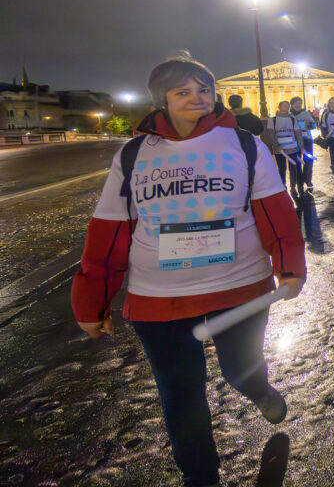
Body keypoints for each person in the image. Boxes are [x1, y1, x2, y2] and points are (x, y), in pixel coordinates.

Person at [71, 51, 305, 487]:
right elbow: (110, 231)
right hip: (160, 297)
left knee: (240, 368)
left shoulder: (244, 145)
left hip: (238, 287)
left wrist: (289, 266)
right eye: (182, 92)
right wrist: (92, 301)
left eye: (204, 89)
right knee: (180, 395)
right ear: (162, 100)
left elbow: (276, 213)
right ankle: (200, 476)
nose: (197, 98)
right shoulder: (133, 154)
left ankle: (257, 390)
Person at [266, 101, 305, 198]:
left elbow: (298, 133)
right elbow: (271, 134)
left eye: (288, 106)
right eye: (284, 105)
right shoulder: (273, 120)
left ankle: (293, 187)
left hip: (292, 147)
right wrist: (276, 146)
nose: (287, 107)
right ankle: (283, 186)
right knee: (282, 168)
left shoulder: (292, 119)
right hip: (280, 149)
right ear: (279, 107)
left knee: (293, 168)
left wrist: (301, 146)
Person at [290, 96, 317, 192]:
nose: (297, 105)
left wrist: (308, 125)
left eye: (299, 103)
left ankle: (307, 179)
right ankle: (299, 180)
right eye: (295, 103)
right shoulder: (289, 115)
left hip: (306, 139)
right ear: (292, 105)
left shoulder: (306, 113)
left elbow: (313, 125)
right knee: (296, 160)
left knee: (308, 160)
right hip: (294, 140)